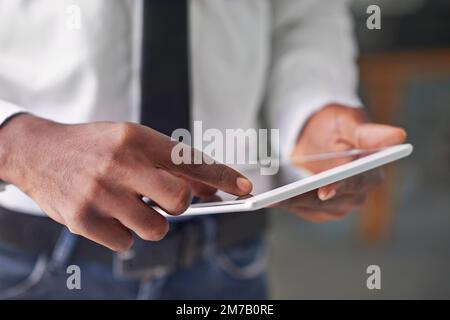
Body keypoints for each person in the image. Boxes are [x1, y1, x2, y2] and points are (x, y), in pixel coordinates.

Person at [0, 0, 406, 299]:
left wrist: (311, 114)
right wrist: (15, 147)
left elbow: (302, 17)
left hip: (229, 255)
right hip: (27, 256)